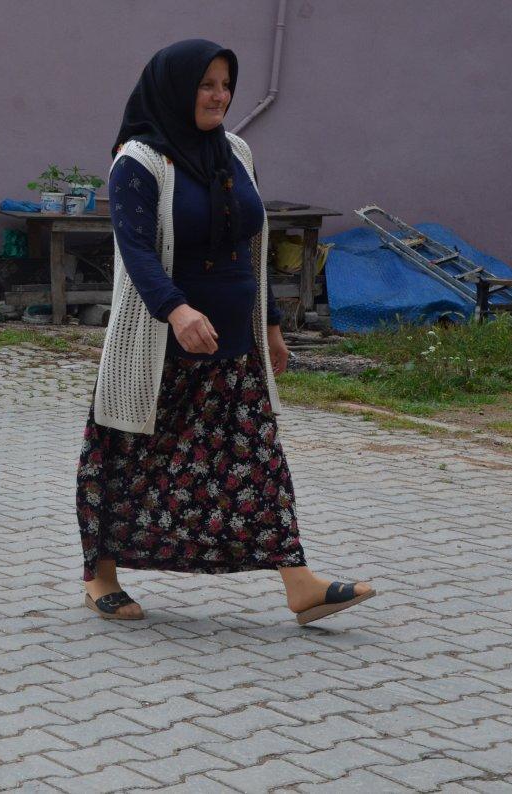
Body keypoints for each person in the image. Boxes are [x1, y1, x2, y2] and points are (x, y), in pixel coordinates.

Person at [77, 40, 375, 626]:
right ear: (175, 90)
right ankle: (100, 576)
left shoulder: (235, 151)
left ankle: (300, 585)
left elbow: (248, 244)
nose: (219, 96)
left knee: (256, 457)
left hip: (232, 341)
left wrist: (270, 325)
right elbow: (135, 252)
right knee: (127, 456)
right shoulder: (137, 161)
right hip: (160, 343)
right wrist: (177, 311)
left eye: (225, 84)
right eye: (206, 85)